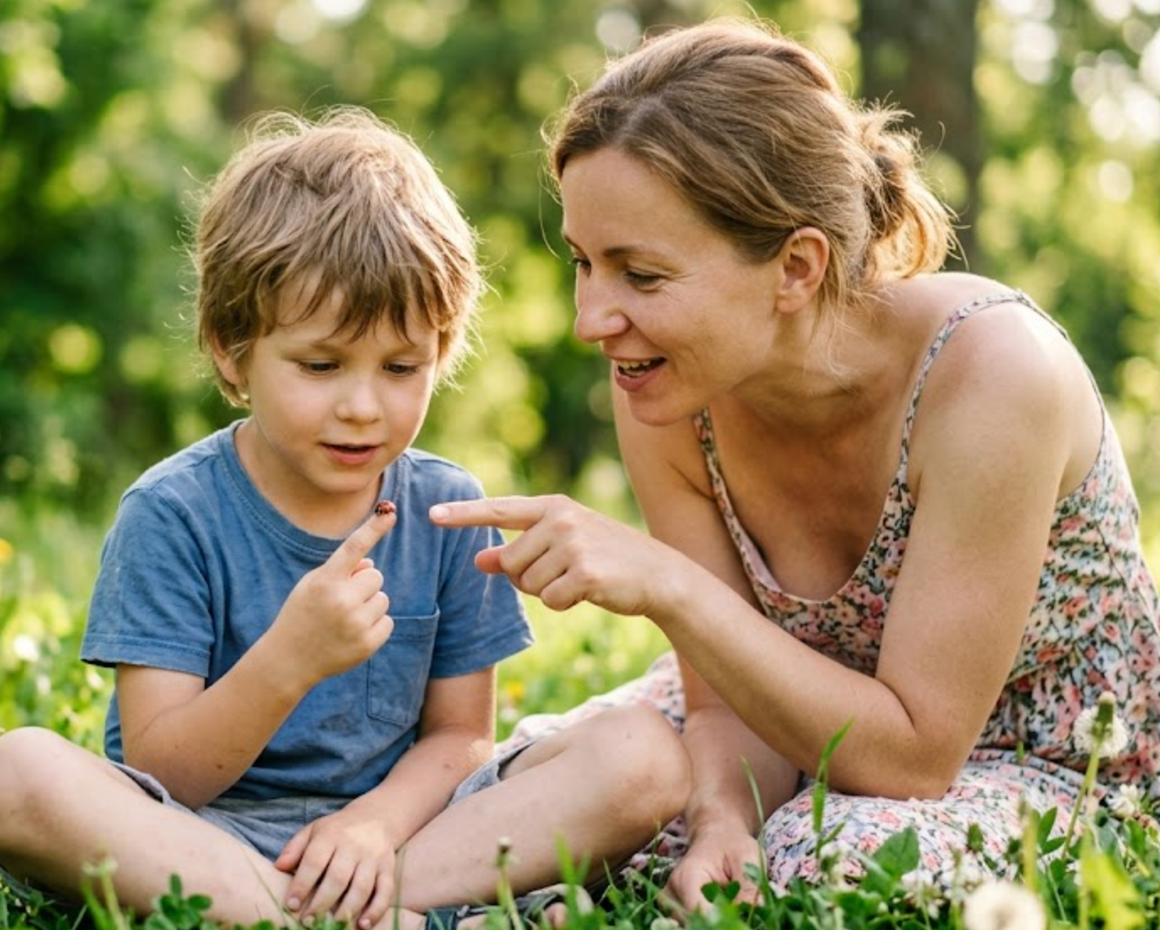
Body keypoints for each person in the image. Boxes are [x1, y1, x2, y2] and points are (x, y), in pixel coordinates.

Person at [430, 17, 1160, 909]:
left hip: (1038, 766)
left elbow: (913, 757)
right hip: (785, 725)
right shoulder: (666, 383)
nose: (592, 319)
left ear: (797, 267)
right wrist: (720, 822)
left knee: (833, 859)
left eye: (642, 276)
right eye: (585, 263)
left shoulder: (993, 377)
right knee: (562, 796)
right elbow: (724, 704)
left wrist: (668, 586)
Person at [0, 107, 689, 929]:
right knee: (15, 775)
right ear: (231, 350)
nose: (361, 407)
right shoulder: (172, 514)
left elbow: (459, 743)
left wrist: (371, 827)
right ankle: (342, 912)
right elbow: (168, 771)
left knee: (645, 757)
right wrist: (288, 660)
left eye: (401, 366)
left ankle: (329, 907)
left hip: (405, 834)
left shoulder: (448, 510)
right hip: (207, 834)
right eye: (320, 365)